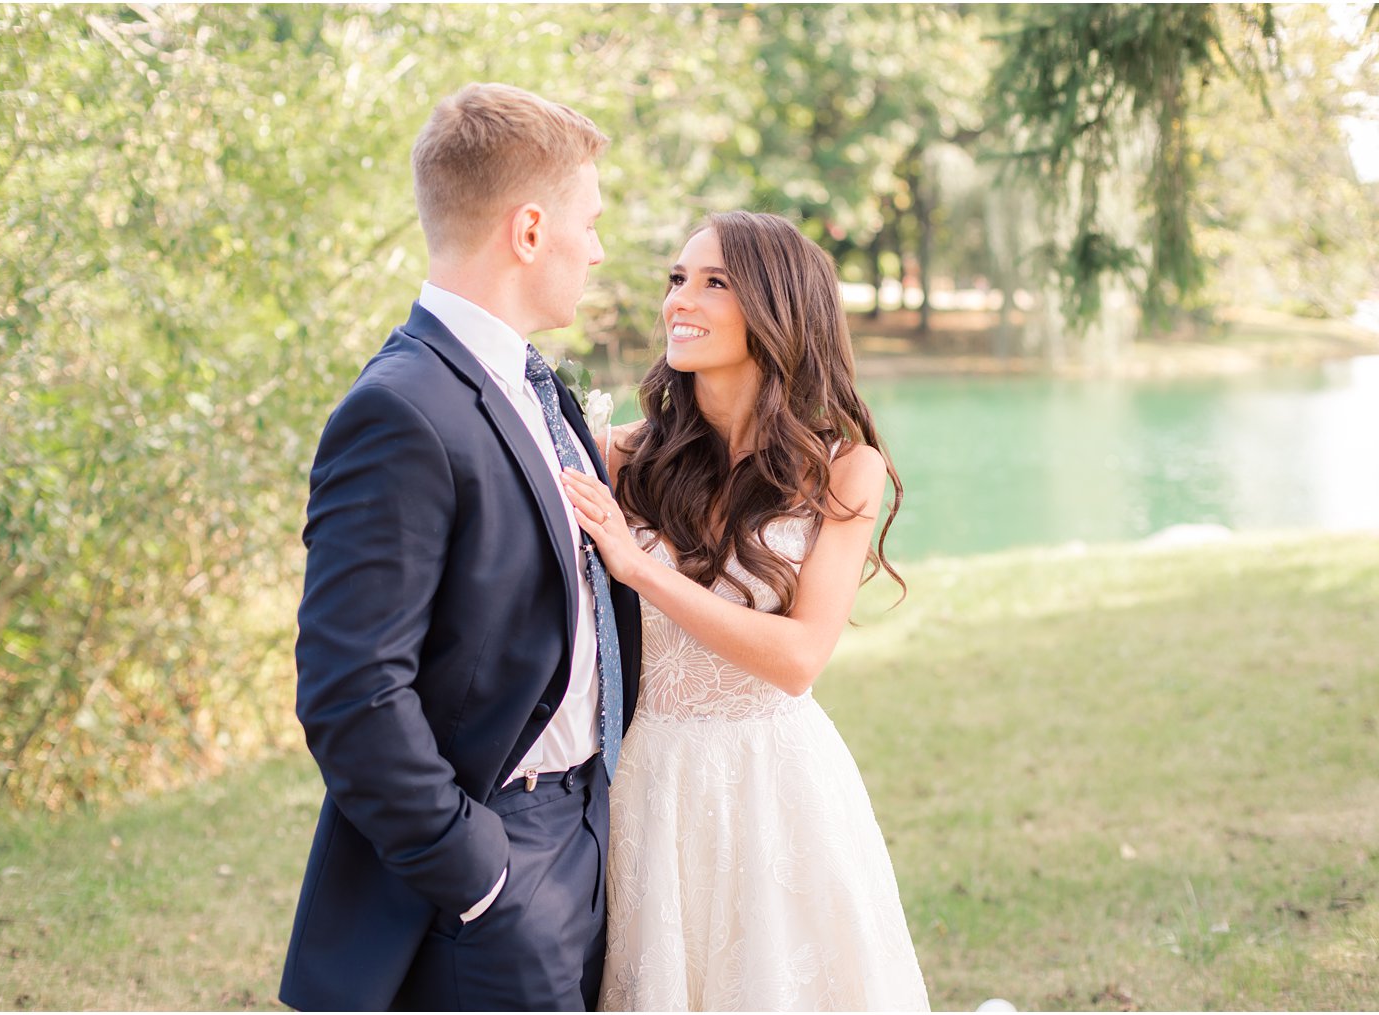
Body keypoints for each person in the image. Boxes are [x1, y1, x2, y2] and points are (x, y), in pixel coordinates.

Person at [278, 83, 642, 1012]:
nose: (597, 248)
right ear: (528, 231)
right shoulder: (400, 408)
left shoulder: (528, 381)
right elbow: (350, 688)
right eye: (588, 222)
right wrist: (477, 870)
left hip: (584, 831)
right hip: (492, 867)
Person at [560, 211, 931, 1011]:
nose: (679, 300)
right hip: (647, 781)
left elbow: (798, 660)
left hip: (779, 785)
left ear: (777, 308)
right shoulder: (621, 456)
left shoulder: (844, 470)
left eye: (714, 282)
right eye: (677, 278)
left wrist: (637, 567)